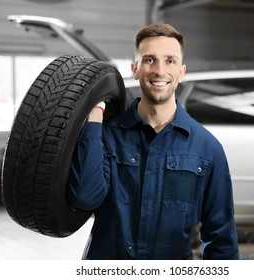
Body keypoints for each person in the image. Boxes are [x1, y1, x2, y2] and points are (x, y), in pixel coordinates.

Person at [67, 23, 239, 260]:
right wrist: (95, 117)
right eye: (149, 60)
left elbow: (221, 236)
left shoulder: (207, 149)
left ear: (182, 71)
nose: (159, 71)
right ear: (135, 69)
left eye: (170, 61)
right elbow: (84, 197)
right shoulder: (106, 135)